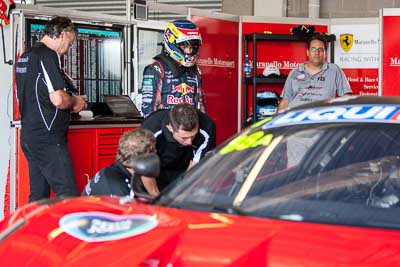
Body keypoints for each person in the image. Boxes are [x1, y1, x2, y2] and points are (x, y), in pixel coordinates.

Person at [15, 16, 87, 202]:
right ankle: (70, 232)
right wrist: (75, 102)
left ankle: (32, 231)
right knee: (68, 195)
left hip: (30, 135)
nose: (68, 49)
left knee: (39, 197)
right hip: (48, 137)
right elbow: (58, 99)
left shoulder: (25, 56)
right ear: (62, 35)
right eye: (69, 43)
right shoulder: (47, 55)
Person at [142, 103, 216, 191]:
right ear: (170, 128)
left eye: (193, 136)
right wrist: (156, 199)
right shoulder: (151, 129)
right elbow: (145, 169)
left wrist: (182, 192)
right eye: (184, 138)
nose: (190, 142)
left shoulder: (207, 126)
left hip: (184, 168)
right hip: (155, 169)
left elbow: (196, 165)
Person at [141, 19, 207, 118]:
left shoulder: (195, 71)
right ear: (172, 43)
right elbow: (148, 110)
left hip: (189, 128)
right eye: (184, 47)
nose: (189, 51)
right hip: (166, 128)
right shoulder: (157, 69)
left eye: (193, 47)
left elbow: (202, 106)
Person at [278, 34, 352, 110]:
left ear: (325, 53)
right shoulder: (294, 72)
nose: (317, 52)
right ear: (307, 52)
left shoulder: (334, 70)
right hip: (297, 118)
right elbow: (284, 102)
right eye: (313, 49)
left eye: (320, 49)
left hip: (321, 118)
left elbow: (347, 97)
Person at [82, 128, 159, 197]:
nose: (156, 152)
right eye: (153, 151)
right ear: (142, 159)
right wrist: (154, 192)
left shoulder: (116, 168)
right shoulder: (123, 192)